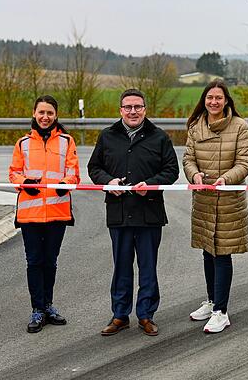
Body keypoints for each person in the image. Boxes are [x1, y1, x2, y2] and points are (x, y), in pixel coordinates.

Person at [87, 88, 179, 337]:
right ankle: (120, 315)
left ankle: (146, 315)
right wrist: (109, 182)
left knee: (148, 267)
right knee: (121, 267)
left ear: (145, 109)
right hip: (119, 213)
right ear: (120, 110)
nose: (133, 111)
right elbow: (94, 168)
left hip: (149, 213)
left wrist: (150, 184)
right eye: (128, 107)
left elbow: (172, 171)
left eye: (137, 107)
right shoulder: (107, 136)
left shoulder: (159, 137)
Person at [182, 80, 248, 333]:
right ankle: (211, 301)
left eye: (218, 98)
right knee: (207, 251)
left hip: (228, 200)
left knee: (222, 253)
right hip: (203, 200)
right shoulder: (195, 126)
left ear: (226, 101)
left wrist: (226, 179)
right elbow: (188, 158)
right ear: (204, 100)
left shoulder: (240, 126)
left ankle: (221, 311)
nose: (214, 102)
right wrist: (195, 176)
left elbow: (244, 162)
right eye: (209, 97)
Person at [9, 95, 80, 333]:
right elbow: (14, 173)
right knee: (34, 261)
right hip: (30, 214)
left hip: (57, 213)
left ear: (56, 116)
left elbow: (74, 172)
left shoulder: (67, 141)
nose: (45, 117)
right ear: (34, 114)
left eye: (50, 113)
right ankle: (37, 309)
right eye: (41, 112)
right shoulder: (23, 143)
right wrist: (24, 182)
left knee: (50, 261)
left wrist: (65, 183)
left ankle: (48, 305)